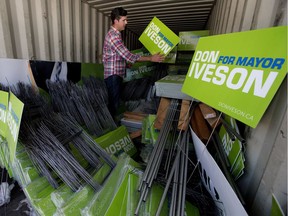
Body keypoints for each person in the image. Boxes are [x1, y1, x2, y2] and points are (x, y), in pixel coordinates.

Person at [102, 7, 165, 120]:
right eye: (124, 20)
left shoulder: (116, 34)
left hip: (115, 74)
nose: (126, 22)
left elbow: (116, 56)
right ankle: (113, 126)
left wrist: (125, 64)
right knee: (113, 104)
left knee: (114, 102)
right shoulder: (114, 36)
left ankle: (113, 121)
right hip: (113, 75)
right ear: (116, 21)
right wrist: (151, 58)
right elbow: (128, 55)